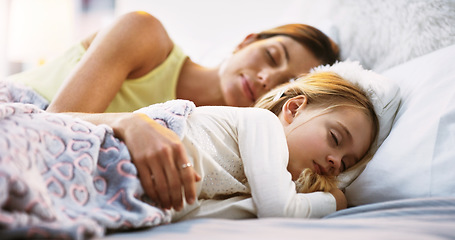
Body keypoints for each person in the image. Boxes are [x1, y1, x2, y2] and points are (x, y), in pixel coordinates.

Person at [6, 11, 340, 211]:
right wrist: (130, 123)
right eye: (270, 56)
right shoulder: (144, 32)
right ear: (246, 41)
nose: (266, 78)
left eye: (283, 84)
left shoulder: (224, 148)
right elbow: (52, 125)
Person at [0, 68, 378, 227]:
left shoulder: (255, 176)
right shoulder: (262, 125)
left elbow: (218, 213)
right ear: (294, 109)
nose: (334, 162)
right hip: (101, 151)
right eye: (335, 138)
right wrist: (336, 201)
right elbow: (279, 210)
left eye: (346, 162)